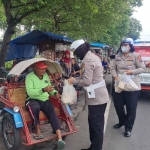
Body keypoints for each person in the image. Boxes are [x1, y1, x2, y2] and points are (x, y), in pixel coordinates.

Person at [68, 39, 109, 150]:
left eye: (76, 52)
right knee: (94, 123)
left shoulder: (88, 60)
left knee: (96, 125)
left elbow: (87, 82)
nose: (76, 55)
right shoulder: (92, 57)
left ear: (81, 49)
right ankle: (94, 146)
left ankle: (96, 148)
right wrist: (75, 78)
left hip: (97, 98)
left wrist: (73, 81)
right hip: (96, 97)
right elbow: (86, 76)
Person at [25, 61, 65, 149]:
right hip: (32, 99)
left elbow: (50, 88)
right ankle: (37, 130)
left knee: (51, 108)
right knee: (35, 107)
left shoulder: (46, 75)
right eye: (41, 68)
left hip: (44, 99)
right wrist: (43, 90)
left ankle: (59, 138)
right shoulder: (29, 77)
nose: (44, 70)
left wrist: (55, 93)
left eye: (44, 68)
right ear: (35, 68)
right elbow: (30, 92)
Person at [111, 38, 146, 137]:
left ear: (130, 46)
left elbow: (142, 68)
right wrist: (115, 75)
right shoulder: (117, 56)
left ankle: (128, 128)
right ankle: (122, 121)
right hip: (120, 84)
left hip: (132, 85)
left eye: (126, 45)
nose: (124, 46)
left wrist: (132, 72)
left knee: (131, 108)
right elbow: (113, 67)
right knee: (118, 105)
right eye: (122, 45)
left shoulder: (136, 56)